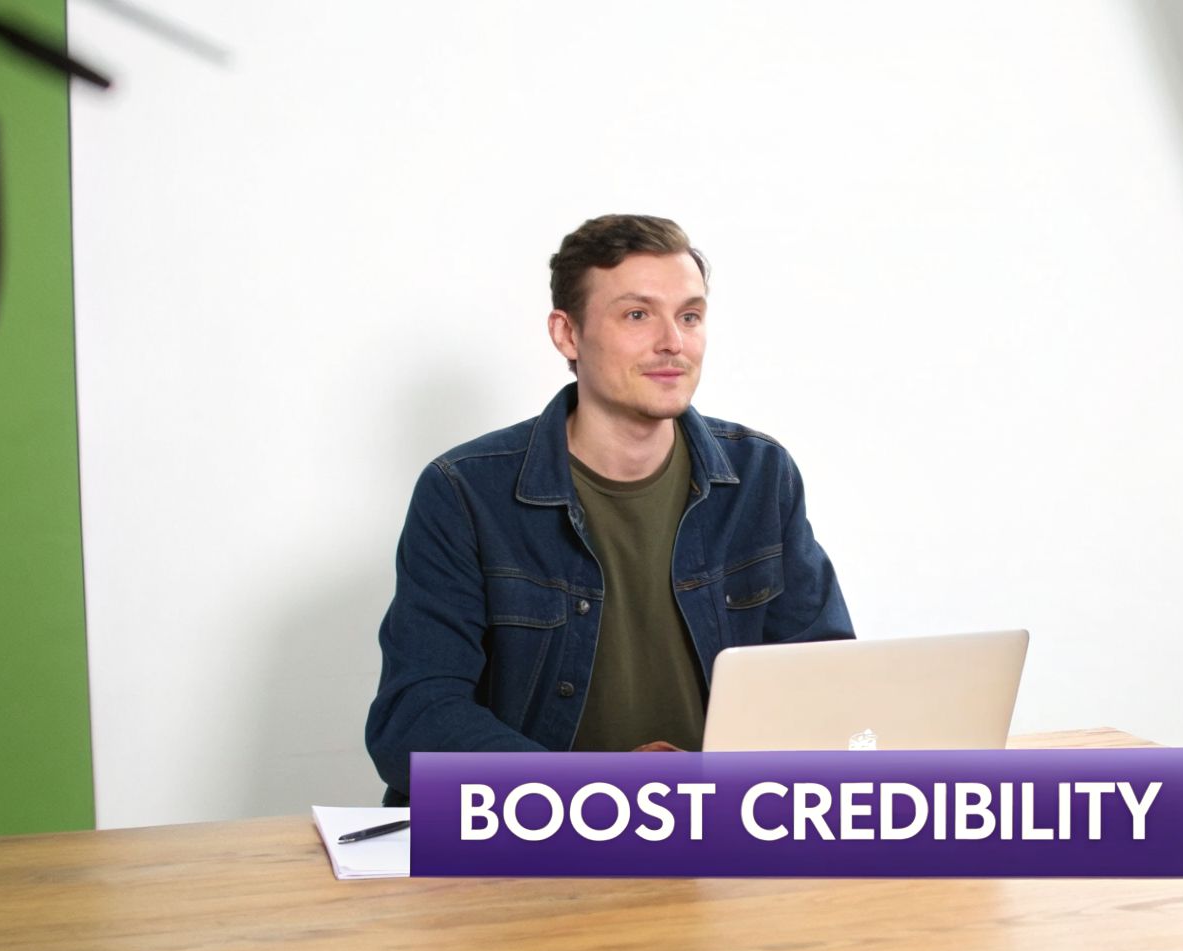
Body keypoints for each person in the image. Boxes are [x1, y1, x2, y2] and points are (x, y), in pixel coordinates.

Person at [365, 214, 853, 804]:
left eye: (690, 316)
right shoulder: (465, 492)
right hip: (541, 843)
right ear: (567, 335)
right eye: (637, 315)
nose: (673, 341)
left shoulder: (760, 476)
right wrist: (597, 790)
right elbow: (413, 719)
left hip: (714, 829)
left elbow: (826, 685)